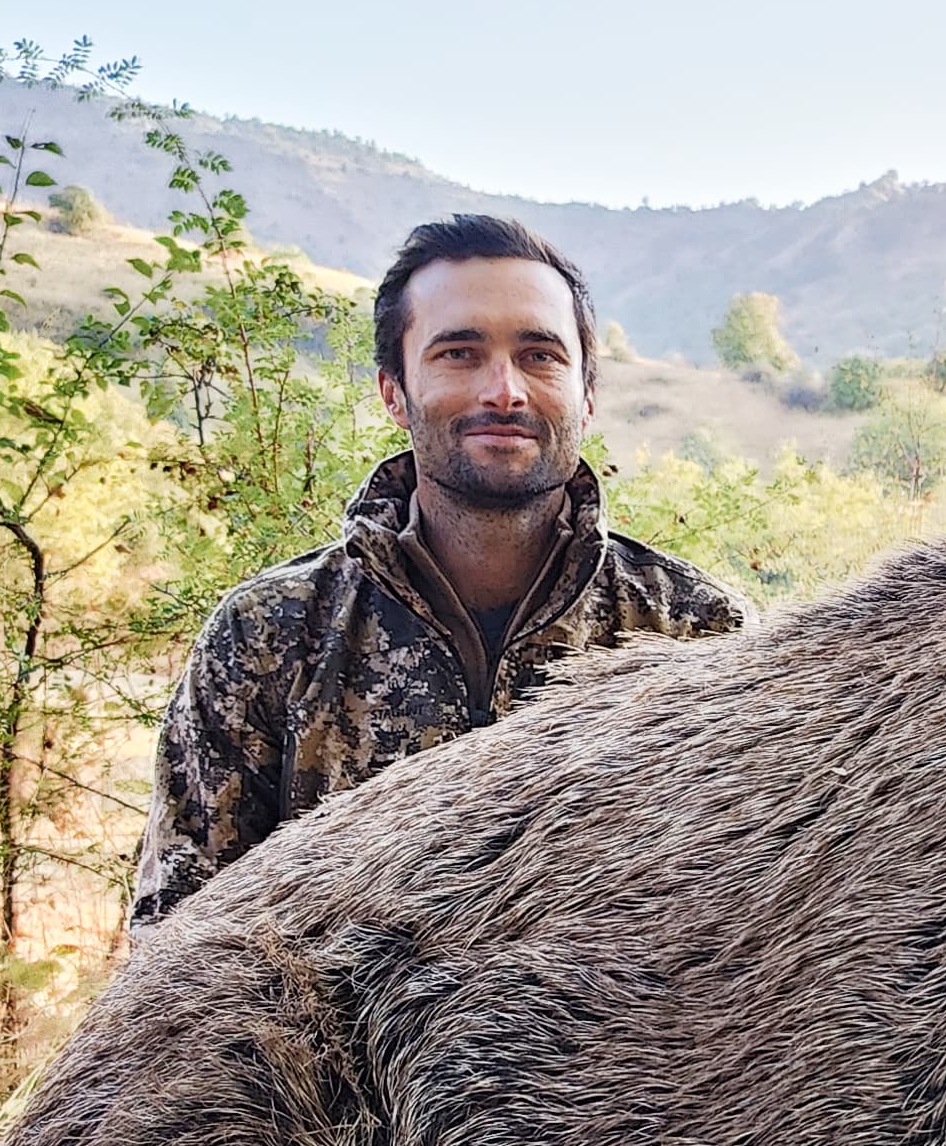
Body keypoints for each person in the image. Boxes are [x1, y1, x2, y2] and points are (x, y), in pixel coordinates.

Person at [127, 214, 744, 927]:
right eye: (459, 353)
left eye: (541, 356)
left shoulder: (700, 638)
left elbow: (754, 935)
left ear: (588, 395)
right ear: (394, 392)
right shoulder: (270, 636)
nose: (505, 391)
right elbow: (178, 940)